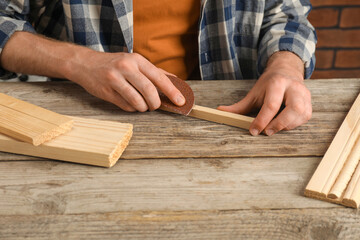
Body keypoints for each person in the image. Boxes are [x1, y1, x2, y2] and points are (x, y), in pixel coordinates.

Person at [0, 0, 316, 136]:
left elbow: (287, 14)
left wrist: (285, 66)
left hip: (230, 116)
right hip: (86, 115)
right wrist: (80, 62)